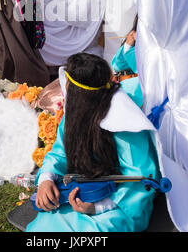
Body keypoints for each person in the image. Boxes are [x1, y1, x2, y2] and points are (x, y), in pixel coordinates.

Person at [26, 52, 160, 232]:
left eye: (67, 86)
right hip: (84, 190)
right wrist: (46, 179)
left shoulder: (123, 121)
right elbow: (59, 152)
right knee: (46, 226)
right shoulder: (75, 113)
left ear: (78, 94)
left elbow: (140, 177)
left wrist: (98, 207)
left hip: (121, 204)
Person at [111, 15, 143, 109]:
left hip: (135, 89)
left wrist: (128, 49)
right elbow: (118, 65)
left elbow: (143, 68)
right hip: (121, 85)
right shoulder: (134, 40)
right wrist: (127, 45)